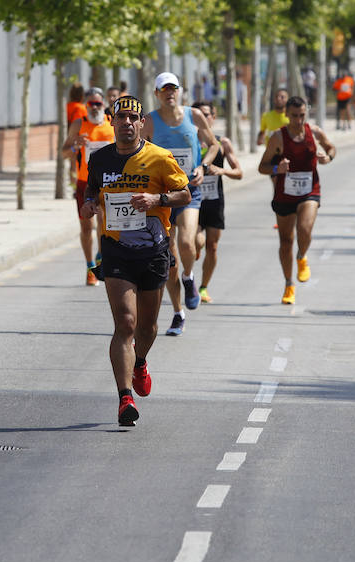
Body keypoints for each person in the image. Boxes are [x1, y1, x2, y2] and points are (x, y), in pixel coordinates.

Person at [79, 95, 191, 426]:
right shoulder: (99, 160)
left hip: (154, 251)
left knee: (147, 326)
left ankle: (140, 361)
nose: (127, 122)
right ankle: (124, 398)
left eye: (133, 118)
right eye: (121, 117)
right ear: (111, 122)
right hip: (116, 250)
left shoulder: (159, 158)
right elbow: (91, 191)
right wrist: (89, 205)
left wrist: (157, 198)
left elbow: (184, 194)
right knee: (126, 323)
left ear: (141, 123)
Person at [143, 72, 219, 336]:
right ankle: (178, 313)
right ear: (156, 94)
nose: (169, 93)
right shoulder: (149, 122)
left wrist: (203, 166)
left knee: (187, 243)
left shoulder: (193, 116)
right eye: (164, 89)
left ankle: (189, 277)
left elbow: (213, 144)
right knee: (168, 260)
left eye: (173, 88)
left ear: (180, 91)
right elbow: (138, 153)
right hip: (161, 196)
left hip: (188, 190)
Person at [258, 96, 335, 305]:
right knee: (285, 242)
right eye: (294, 116)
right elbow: (262, 166)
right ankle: (288, 284)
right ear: (287, 115)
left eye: (302, 116)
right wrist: (276, 168)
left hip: (310, 190)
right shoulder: (278, 137)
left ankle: (302, 256)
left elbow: (331, 148)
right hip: (284, 193)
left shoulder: (315, 132)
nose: (298, 120)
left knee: (304, 229)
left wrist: (327, 158)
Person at [62, 87, 114, 286]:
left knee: (103, 223)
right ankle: (90, 265)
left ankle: (101, 257)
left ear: (103, 105)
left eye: (98, 104)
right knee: (86, 227)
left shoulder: (111, 124)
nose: (94, 107)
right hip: (85, 183)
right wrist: (76, 145)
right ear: (85, 105)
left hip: (108, 182)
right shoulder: (78, 124)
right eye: (91, 104)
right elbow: (64, 152)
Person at [191, 101, 242, 304]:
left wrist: (221, 170)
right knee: (196, 241)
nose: (204, 118)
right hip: (193, 200)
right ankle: (191, 262)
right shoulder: (188, 142)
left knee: (212, 246)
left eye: (207, 114)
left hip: (214, 201)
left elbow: (239, 172)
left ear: (213, 117)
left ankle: (203, 287)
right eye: (199, 115)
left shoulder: (222, 143)